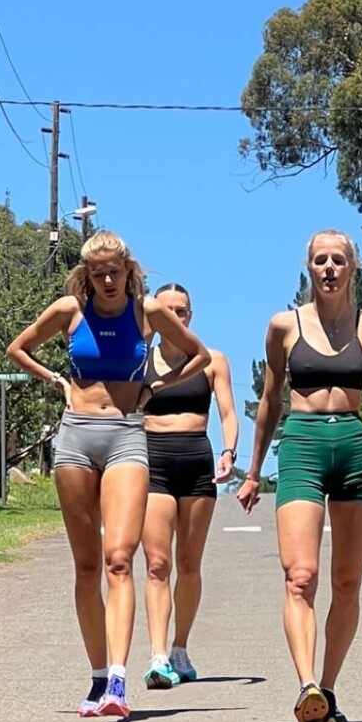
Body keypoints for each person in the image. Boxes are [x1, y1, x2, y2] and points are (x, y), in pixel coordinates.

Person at [7, 232, 210, 721]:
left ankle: (119, 678)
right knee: (86, 566)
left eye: (114, 272)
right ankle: (98, 676)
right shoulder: (70, 310)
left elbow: (199, 355)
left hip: (126, 436)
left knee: (119, 558)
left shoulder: (147, 311)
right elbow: (18, 348)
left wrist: (154, 388)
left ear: (128, 270)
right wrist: (56, 380)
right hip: (76, 436)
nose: (107, 281)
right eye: (97, 274)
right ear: (87, 275)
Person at [238, 231, 362, 722]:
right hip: (302, 446)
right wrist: (252, 472)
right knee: (300, 576)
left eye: (338, 260)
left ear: (353, 267)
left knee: (347, 582)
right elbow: (269, 402)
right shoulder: (283, 326)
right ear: (308, 267)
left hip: (354, 447)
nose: (329, 268)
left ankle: (326, 690)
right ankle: (306, 683)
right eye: (320, 260)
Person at [141, 283, 239, 688]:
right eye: (165, 311)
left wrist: (229, 451)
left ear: (191, 316)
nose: (174, 317)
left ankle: (180, 647)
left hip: (197, 462)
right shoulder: (139, 360)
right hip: (152, 462)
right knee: (157, 564)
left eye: (180, 311)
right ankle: (158, 655)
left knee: (189, 564)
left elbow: (228, 413)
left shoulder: (211, 360)